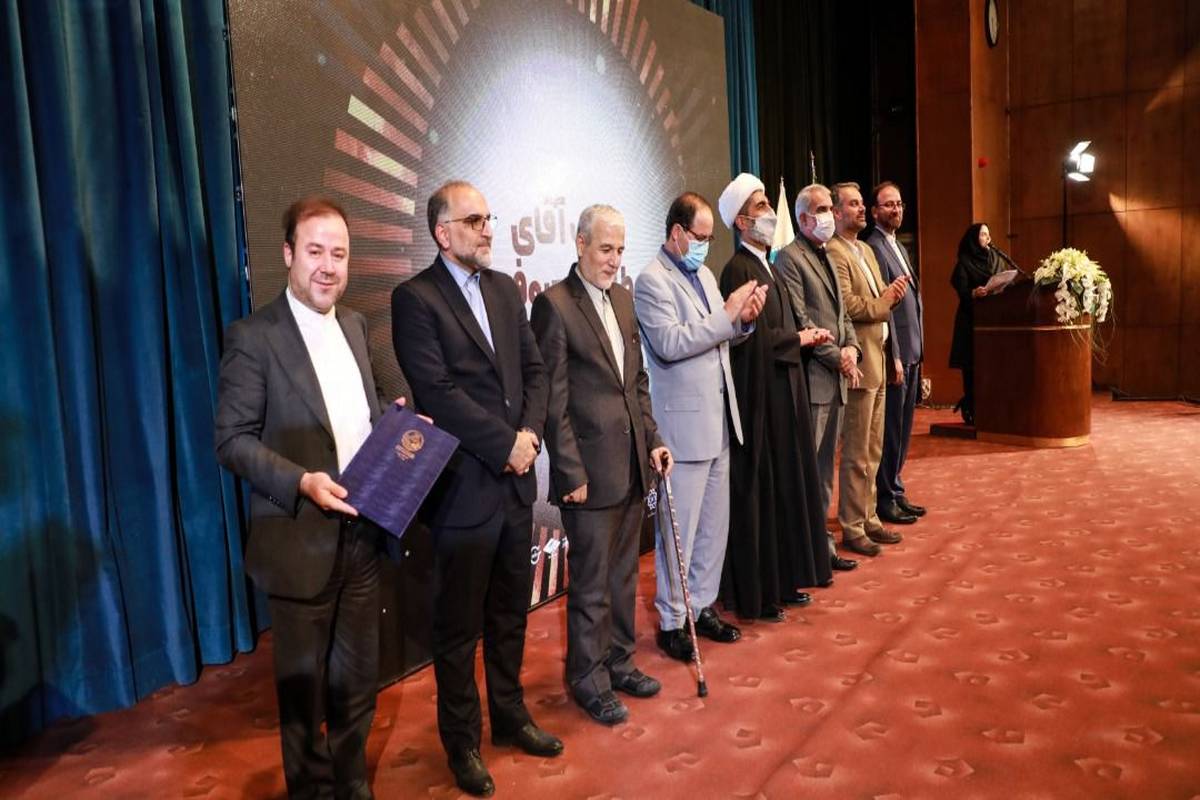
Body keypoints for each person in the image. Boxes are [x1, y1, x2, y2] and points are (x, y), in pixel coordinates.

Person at [215, 197, 407, 799]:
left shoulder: (355, 325)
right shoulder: (253, 337)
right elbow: (231, 440)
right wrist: (302, 481)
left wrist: (397, 426)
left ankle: (352, 783)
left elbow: (359, 414)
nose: (328, 266)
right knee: (303, 697)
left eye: (339, 254)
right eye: (316, 251)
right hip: (299, 540)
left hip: (363, 535)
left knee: (358, 680)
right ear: (288, 254)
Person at [391, 181, 558, 798]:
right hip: (463, 490)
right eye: (473, 220)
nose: (488, 229)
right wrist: (504, 444)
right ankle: (462, 743)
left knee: (511, 613)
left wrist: (530, 436)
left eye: (489, 218)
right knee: (459, 629)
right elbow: (436, 392)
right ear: (442, 233)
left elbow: (535, 370)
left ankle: (510, 717)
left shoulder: (504, 288)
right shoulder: (415, 299)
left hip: (516, 485)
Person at [530, 204, 673, 726]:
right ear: (580, 244)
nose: (614, 260)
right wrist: (570, 472)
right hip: (588, 476)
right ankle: (588, 680)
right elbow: (552, 401)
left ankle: (619, 663)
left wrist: (653, 440)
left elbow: (636, 383)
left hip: (632, 466)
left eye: (620, 250)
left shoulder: (625, 300)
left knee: (622, 579)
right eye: (605, 249)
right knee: (590, 588)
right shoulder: (554, 306)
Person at [633, 192, 766, 663]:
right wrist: (727, 316)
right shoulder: (651, 281)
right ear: (677, 232)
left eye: (710, 238)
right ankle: (673, 621)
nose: (706, 246)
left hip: (718, 419)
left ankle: (702, 606)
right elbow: (671, 343)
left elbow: (718, 338)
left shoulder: (705, 276)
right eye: (701, 237)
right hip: (682, 428)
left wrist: (742, 323)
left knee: (712, 528)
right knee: (679, 535)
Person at [716, 173, 834, 622]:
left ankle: (784, 580)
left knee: (786, 490)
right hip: (761, 401)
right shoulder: (738, 270)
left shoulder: (767, 264)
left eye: (768, 203)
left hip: (786, 393)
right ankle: (760, 592)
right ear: (742, 222)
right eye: (761, 205)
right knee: (763, 494)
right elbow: (748, 338)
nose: (769, 213)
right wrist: (797, 340)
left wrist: (804, 336)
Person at [773, 183, 863, 575]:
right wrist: (838, 358)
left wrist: (852, 349)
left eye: (831, 208)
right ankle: (801, 555)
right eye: (824, 209)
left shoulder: (829, 251)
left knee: (825, 474)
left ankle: (821, 549)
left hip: (835, 381)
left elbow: (842, 316)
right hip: (812, 382)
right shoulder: (789, 258)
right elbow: (801, 321)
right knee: (805, 473)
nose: (831, 215)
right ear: (804, 218)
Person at [827, 182, 909, 558]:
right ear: (836, 212)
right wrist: (885, 302)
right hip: (858, 364)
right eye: (853, 204)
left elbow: (879, 301)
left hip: (878, 357)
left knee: (874, 449)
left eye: (862, 204)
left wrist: (892, 297)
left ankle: (870, 515)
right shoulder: (835, 251)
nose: (861, 209)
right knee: (857, 453)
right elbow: (849, 305)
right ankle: (852, 525)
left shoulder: (865, 249)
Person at [864, 181, 927, 524]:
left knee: (903, 430)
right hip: (897, 355)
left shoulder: (897, 244)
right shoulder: (874, 246)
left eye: (899, 204)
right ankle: (885, 496)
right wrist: (896, 356)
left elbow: (911, 302)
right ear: (875, 211)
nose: (896, 209)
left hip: (913, 350)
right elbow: (886, 308)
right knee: (890, 431)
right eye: (888, 205)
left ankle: (896, 490)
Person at [949, 222, 1002, 425]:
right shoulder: (964, 262)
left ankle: (990, 408)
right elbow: (961, 289)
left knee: (990, 366)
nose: (987, 238)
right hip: (970, 320)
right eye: (983, 234)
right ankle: (971, 407)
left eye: (988, 234)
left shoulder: (995, 258)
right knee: (972, 367)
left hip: (992, 320)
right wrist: (973, 292)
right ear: (973, 239)